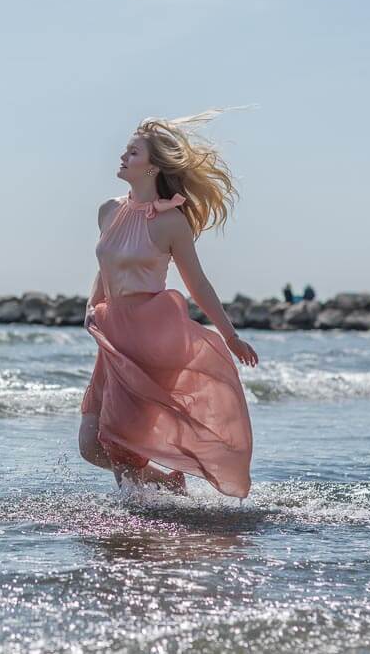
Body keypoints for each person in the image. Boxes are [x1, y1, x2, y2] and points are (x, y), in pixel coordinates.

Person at [78, 111, 257, 499]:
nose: (123, 156)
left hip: (150, 337)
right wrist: (92, 307)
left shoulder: (171, 222)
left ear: (153, 166)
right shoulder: (108, 211)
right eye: (126, 150)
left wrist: (230, 336)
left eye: (133, 152)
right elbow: (105, 264)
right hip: (112, 334)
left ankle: (132, 528)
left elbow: (199, 283)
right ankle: (163, 485)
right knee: (91, 446)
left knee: (118, 439)